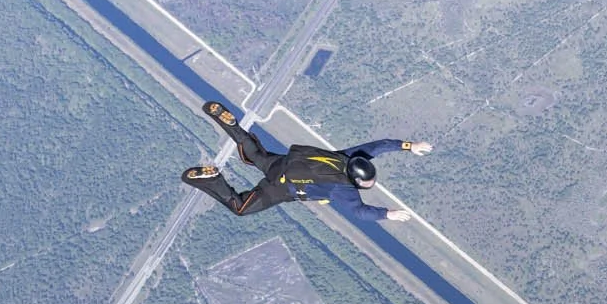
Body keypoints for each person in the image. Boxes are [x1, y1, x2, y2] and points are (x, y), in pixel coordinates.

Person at [181, 101, 427, 221]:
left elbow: (380, 145)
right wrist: (388, 214)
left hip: (284, 163)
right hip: (281, 187)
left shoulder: (351, 156)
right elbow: (360, 212)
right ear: (355, 179)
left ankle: (229, 124)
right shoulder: (343, 189)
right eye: (368, 183)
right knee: (240, 208)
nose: (370, 184)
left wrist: (409, 146)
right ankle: (213, 179)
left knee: (255, 154)